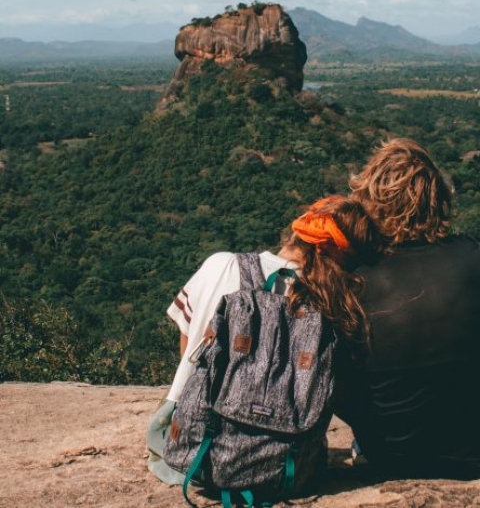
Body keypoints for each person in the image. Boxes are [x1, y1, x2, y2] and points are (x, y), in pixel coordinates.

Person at [147, 195, 381, 484]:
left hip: (190, 450)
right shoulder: (335, 306)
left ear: (297, 230)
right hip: (284, 460)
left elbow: (188, 349)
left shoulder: (222, 265)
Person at [334, 137, 480, 476]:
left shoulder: (352, 279)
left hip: (391, 455)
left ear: (369, 201)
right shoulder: (472, 258)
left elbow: (339, 390)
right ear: (438, 197)